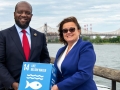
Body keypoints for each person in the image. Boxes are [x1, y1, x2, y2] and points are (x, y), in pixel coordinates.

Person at [0, 1, 50, 90]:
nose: (24, 15)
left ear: (31, 16)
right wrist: (12, 83)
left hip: (34, 86)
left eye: (27, 13)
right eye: (20, 12)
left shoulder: (40, 36)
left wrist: (42, 78)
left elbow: (45, 59)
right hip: (9, 87)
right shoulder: (3, 35)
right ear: (14, 14)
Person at [51, 16, 97, 90]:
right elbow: (56, 73)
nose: (68, 32)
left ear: (78, 31)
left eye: (72, 29)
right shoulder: (61, 51)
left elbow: (84, 73)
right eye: (65, 30)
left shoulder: (85, 47)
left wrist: (59, 86)